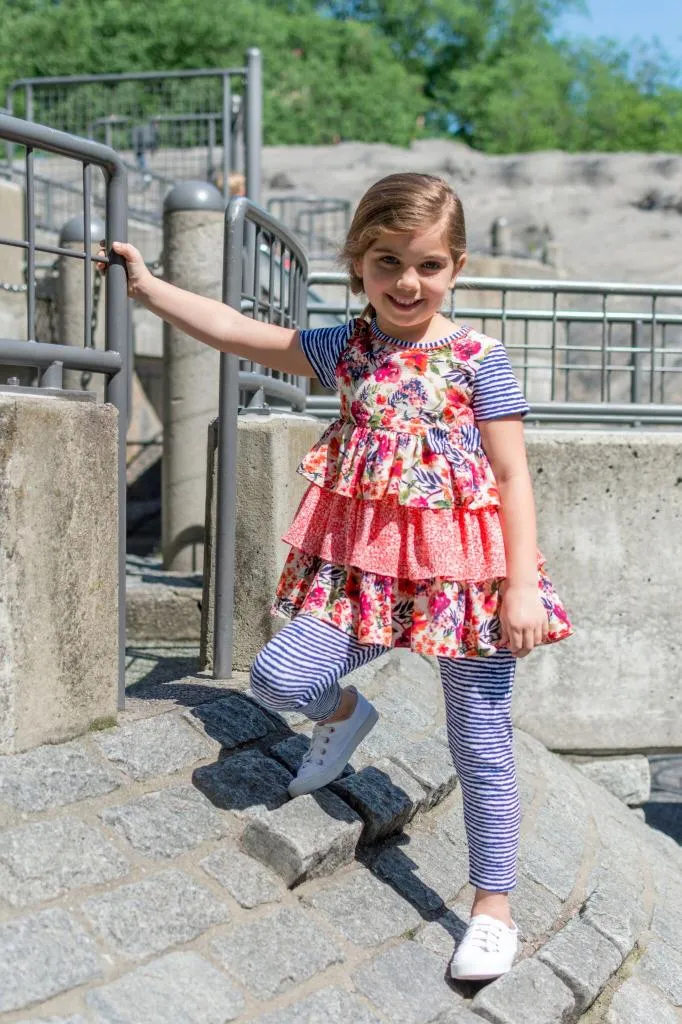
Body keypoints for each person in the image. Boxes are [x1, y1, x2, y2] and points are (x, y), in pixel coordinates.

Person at [100, 172, 573, 983]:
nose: (407, 282)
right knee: (283, 672)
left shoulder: (477, 360)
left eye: (428, 264)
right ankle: (347, 713)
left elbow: (512, 475)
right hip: (368, 579)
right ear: (359, 264)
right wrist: (150, 290)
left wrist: (520, 584)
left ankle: (493, 905)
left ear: (456, 268)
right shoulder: (347, 348)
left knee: (481, 742)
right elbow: (239, 331)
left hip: (470, 582)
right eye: (386, 261)